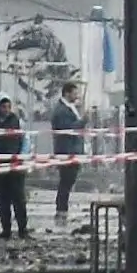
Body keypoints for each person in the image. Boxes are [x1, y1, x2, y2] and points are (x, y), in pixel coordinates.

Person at [0, 93, 29, 240]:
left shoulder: (16, 121)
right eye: (3, 106)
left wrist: (22, 157)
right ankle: (6, 230)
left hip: (15, 165)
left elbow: (25, 141)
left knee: (19, 199)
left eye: (8, 106)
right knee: (2, 200)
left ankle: (23, 230)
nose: (6, 109)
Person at [50, 81, 86, 224]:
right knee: (66, 182)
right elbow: (68, 130)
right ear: (67, 93)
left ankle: (62, 209)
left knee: (68, 182)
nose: (77, 95)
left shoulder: (69, 108)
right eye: (75, 92)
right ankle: (61, 210)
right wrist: (83, 121)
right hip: (67, 151)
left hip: (73, 151)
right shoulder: (62, 111)